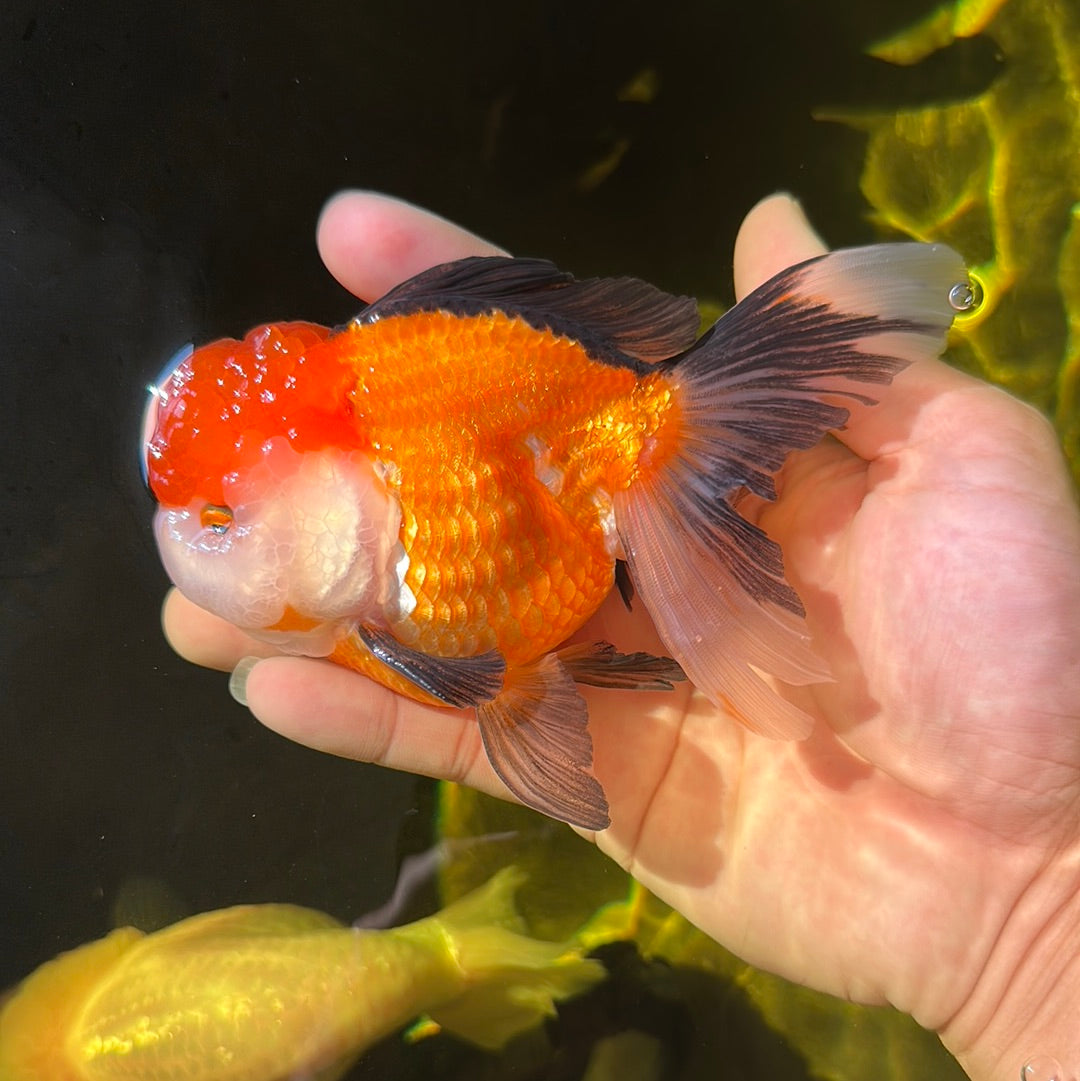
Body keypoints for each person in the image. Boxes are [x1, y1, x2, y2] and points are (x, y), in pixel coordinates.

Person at [161, 191, 1080, 1081]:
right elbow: (501, 687)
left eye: (214, 518)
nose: (186, 544)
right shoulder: (355, 602)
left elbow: (491, 684)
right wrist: (1022, 965)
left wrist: (1038, 915)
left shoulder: (395, 557)